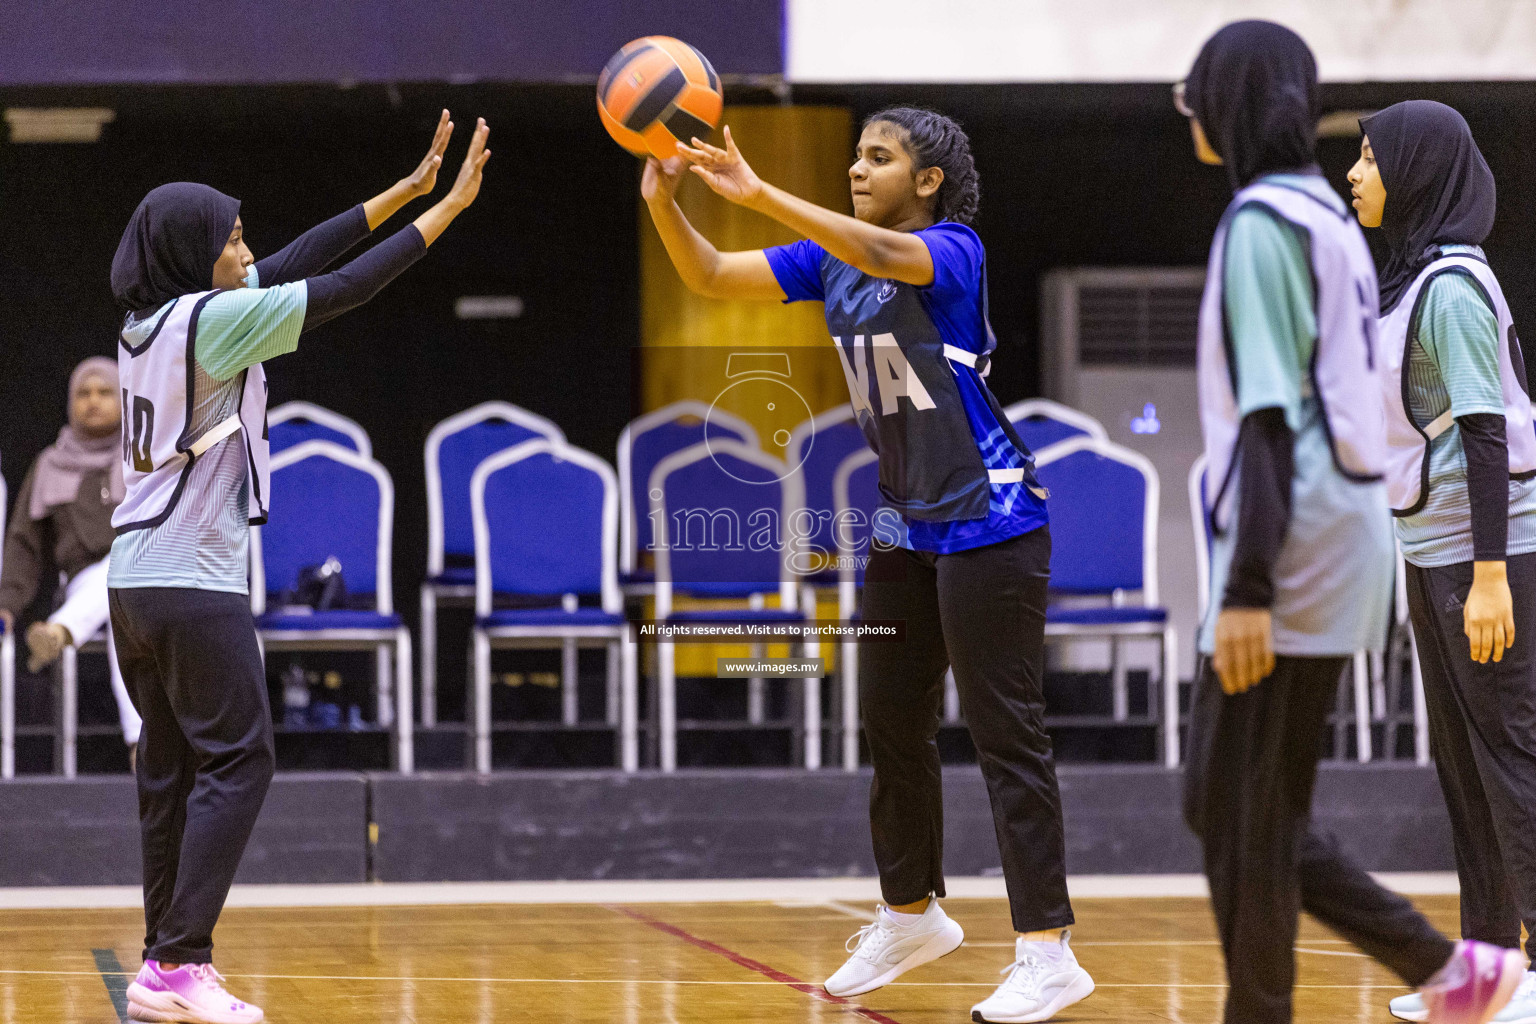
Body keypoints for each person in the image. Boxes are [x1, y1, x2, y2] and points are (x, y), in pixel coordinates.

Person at [642, 108, 1092, 1022]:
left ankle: (1048, 951)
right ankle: (910, 914)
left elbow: (890, 261)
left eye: (879, 158)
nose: (857, 168)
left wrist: (761, 192)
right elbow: (709, 272)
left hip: (992, 519)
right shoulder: (829, 258)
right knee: (889, 719)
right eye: (855, 155)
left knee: (1006, 736)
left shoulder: (953, 250)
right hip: (906, 523)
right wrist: (664, 204)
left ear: (925, 182)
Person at [1177, 20, 1523, 1024]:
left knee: (1231, 803)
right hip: (1351, 538)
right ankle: (1296, 1001)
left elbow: (1272, 417)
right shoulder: (1322, 211)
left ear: (1231, 99)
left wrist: (1247, 588)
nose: (1188, 107)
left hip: (1296, 548)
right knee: (1246, 806)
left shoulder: (1260, 222)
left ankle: (1444, 966)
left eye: (1194, 89)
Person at [111, 110, 489, 1024]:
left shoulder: (150, 323)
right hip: (194, 581)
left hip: (133, 581)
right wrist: (449, 212)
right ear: (192, 253)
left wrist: (402, 191)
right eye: (232, 237)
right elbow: (346, 286)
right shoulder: (216, 324)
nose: (248, 248)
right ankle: (180, 960)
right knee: (242, 760)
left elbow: (295, 262)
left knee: (168, 776)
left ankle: (164, 966)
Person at [1347, 100, 1536, 1024]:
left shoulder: (1453, 286)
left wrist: (1493, 576)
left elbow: (1488, 435)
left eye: (1372, 159)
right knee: (1464, 767)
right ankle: (1490, 971)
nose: (1356, 174)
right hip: (1432, 549)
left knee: (1514, 760)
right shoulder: (1409, 280)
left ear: (1417, 173)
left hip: (1489, 557)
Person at [0, 357, 142, 758]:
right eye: (83, 393)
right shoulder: (50, 464)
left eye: (104, 392)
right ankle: (140, 743)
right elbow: (22, 544)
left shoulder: (143, 456)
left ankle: (60, 632)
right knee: (119, 587)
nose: (93, 402)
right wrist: (6, 606)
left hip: (145, 577)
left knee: (125, 587)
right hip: (82, 582)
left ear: (124, 398)